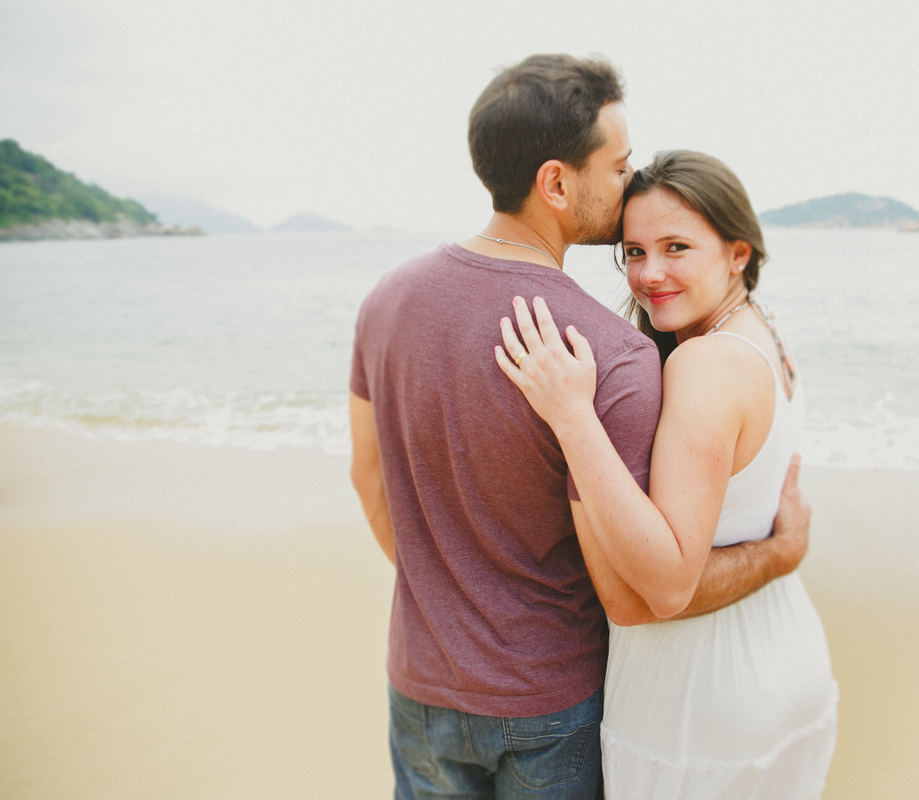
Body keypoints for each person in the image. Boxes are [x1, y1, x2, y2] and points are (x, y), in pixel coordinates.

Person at [349, 55, 811, 799]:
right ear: (558, 183)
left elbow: (366, 476)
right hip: (547, 700)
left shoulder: (385, 300)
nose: (630, 184)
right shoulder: (609, 352)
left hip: (420, 681)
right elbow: (638, 588)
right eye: (620, 165)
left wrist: (450, 605)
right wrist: (782, 550)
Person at [496, 149, 838, 798]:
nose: (649, 275)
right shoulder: (766, 339)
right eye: (633, 252)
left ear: (738, 252)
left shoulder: (705, 365)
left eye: (676, 247)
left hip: (702, 698)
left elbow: (651, 593)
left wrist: (572, 419)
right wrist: (780, 551)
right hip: (782, 660)